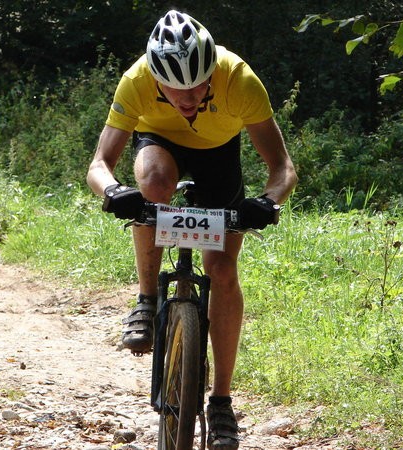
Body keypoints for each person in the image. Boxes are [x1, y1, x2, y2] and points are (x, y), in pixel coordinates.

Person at [87, 9, 297, 450]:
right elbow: (99, 164)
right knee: (152, 187)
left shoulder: (239, 78)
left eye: (198, 86)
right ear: (155, 77)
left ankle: (221, 402)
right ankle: (147, 300)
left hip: (219, 154)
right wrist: (113, 191)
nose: (186, 98)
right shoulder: (136, 79)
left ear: (212, 72)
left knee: (222, 270)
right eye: (173, 88)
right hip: (158, 144)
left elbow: (282, 167)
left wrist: (268, 202)